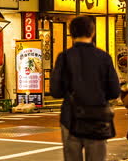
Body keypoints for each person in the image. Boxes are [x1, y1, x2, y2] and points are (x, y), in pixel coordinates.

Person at [51, 16, 120, 161]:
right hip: (98, 119)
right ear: (92, 32)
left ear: (71, 33)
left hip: (71, 118)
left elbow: (55, 91)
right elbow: (114, 91)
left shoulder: (64, 57)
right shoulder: (104, 57)